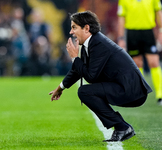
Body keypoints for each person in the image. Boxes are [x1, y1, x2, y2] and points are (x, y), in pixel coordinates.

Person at [49, 11, 152, 142]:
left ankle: (122, 127)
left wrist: (75, 58)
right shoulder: (93, 42)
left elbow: (90, 76)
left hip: (132, 90)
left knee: (85, 92)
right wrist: (61, 87)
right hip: (127, 87)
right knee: (86, 91)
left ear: (86, 28)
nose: (71, 32)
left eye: (74, 27)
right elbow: (78, 70)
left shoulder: (98, 44)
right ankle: (122, 127)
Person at [117, 0, 162, 106]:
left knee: (154, 62)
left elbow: (159, 13)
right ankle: (140, 94)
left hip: (148, 32)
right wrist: (121, 37)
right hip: (132, 33)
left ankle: (160, 95)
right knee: (137, 64)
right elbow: (121, 18)